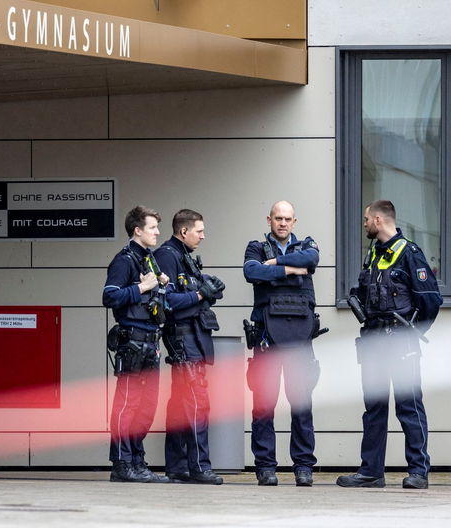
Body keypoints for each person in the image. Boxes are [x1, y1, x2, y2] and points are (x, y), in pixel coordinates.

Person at [337, 200, 441, 490]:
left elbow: (430, 300)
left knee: (409, 406)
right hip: (373, 343)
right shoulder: (373, 254)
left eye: (367, 219)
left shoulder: (410, 253)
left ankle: (418, 472)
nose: (365, 223)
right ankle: (371, 472)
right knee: (374, 408)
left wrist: (410, 333)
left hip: (401, 343)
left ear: (379, 220)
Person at [242, 201, 321, 487]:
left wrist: (275, 265)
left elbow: (310, 260)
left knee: (301, 403)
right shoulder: (255, 248)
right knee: (264, 404)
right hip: (266, 338)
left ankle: (303, 466)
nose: (283, 223)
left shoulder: (307, 245)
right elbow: (251, 271)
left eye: (288, 219)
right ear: (269, 220)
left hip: (300, 338)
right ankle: (265, 466)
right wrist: (291, 271)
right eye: (278, 218)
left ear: (294, 222)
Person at [155, 209, 225, 485]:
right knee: (198, 403)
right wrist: (200, 293)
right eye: (199, 231)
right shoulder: (167, 255)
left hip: (192, 337)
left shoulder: (182, 256)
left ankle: (178, 467)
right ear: (184, 231)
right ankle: (200, 468)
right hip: (182, 338)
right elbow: (168, 301)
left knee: (181, 407)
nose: (203, 236)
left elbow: (192, 295)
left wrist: (209, 290)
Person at [102, 205, 171, 483]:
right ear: (137, 230)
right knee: (127, 404)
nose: (157, 232)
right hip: (132, 342)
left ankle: (137, 461)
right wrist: (142, 288)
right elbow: (109, 296)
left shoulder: (149, 259)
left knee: (146, 407)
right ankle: (121, 463)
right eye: (152, 227)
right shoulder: (125, 260)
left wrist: (160, 283)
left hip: (151, 342)